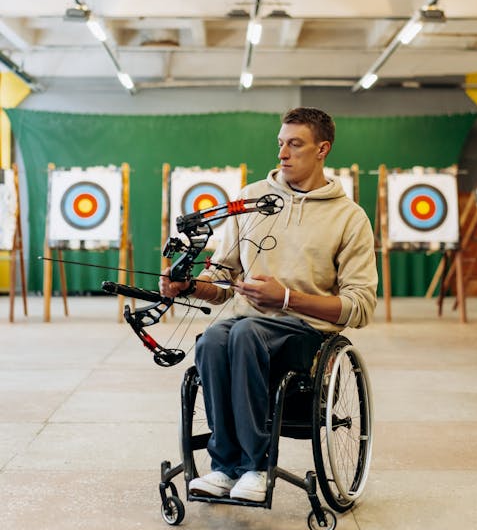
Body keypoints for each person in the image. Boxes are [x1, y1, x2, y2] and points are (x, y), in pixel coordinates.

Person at [159, 107, 377, 503]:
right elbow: (223, 279)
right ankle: (224, 468)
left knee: (242, 333)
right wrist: (189, 285)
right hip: (249, 327)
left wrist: (288, 298)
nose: (283, 154)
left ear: (322, 149)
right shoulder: (249, 201)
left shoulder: (350, 218)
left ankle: (256, 467)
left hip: (307, 336)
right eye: (280, 144)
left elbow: (360, 307)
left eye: (295, 144)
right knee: (211, 340)